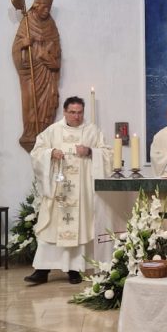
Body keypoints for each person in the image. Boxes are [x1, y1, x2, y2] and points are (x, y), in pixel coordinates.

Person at [25, 96, 111, 284]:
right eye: (72, 112)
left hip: (81, 192)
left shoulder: (92, 131)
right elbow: (36, 152)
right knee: (51, 228)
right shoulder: (53, 131)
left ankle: (74, 270)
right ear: (65, 112)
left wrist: (90, 151)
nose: (76, 116)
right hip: (58, 191)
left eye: (80, 112)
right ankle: (42, 270)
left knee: (78, 228)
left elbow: (108, 154)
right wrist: (50, 153)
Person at [12, 0, 62, 151]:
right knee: (30, 101)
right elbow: (15, 48)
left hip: (47, 73)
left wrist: (52, 59)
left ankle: (44, 134)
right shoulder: (26, 22)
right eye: (44, 7)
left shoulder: (51, 24)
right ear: (36, 6)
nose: (47, 10)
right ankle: (30, 133)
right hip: (30, 73)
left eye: (49, 7)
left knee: (47, 103)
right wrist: (23, 43)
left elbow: (57, 49)